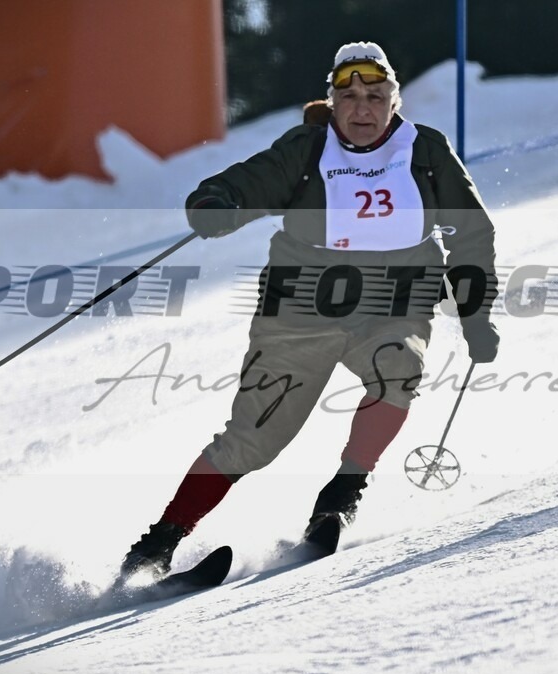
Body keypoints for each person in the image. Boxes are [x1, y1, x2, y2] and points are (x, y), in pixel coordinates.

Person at [120, 41, 500, 579]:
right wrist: (214, 205)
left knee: (398, 368)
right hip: (300, 308)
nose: (363, 109)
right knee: (253, 442)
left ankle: (342, 492)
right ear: (332, 102)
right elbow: (240, 185)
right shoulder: (308, 149)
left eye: (376, 96)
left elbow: (471, 234)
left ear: (394, 101)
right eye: (350, 99)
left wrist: (476, 315)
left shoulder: (425, 150)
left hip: (393, 303)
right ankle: (155, 548)